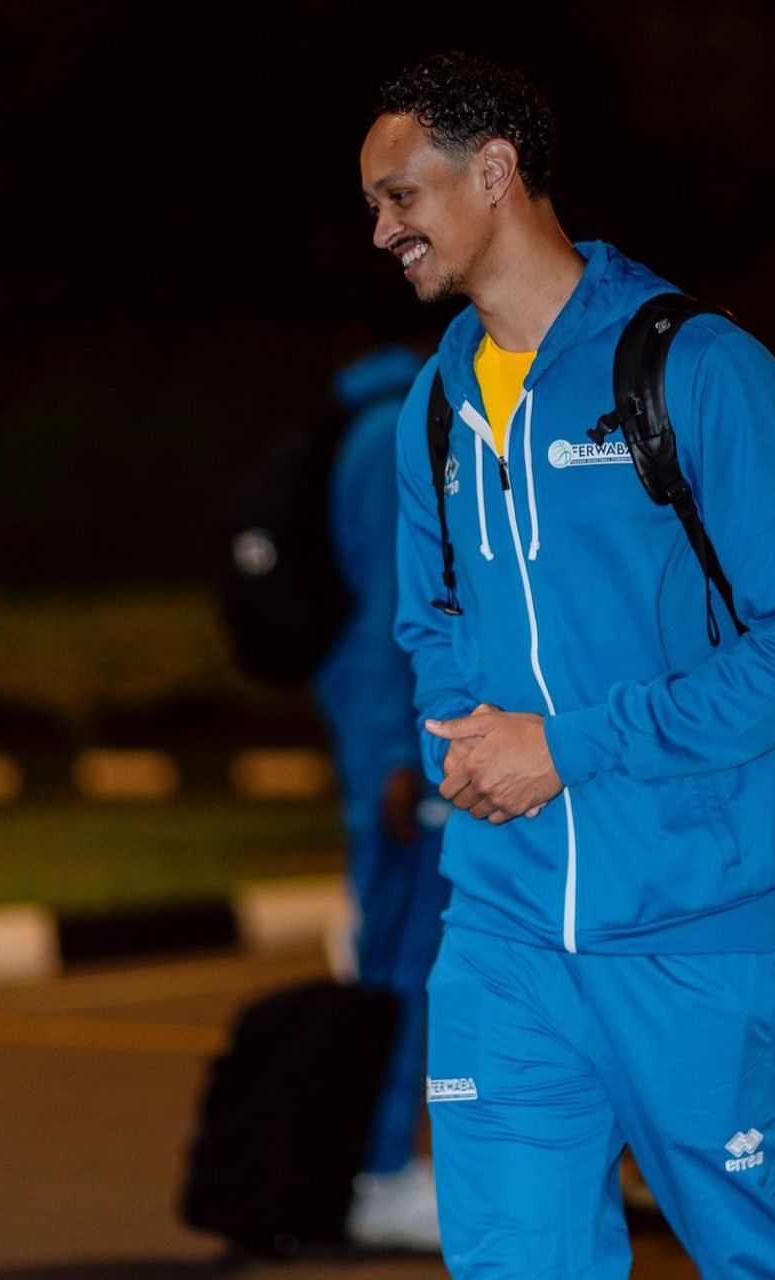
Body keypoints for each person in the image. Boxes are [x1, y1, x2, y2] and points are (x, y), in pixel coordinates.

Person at [361, 52, 775, 1278]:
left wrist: (567, 746)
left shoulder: (696, 368)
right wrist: (465, 738)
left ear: (494, 172)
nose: (381, 231)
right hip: (506, 929)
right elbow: (431, 621)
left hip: (711, 923)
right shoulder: (433, 404)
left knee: (756, 1259)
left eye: (400, 196)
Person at [311, 345, 450, 1251]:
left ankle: (384, 1163)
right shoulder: (399, 433)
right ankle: (378, 1172)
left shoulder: (386, 424)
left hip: (403, 747)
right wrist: (399, 754)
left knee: (420, 964)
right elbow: (392, 615)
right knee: (403, 966)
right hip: (407, 757)